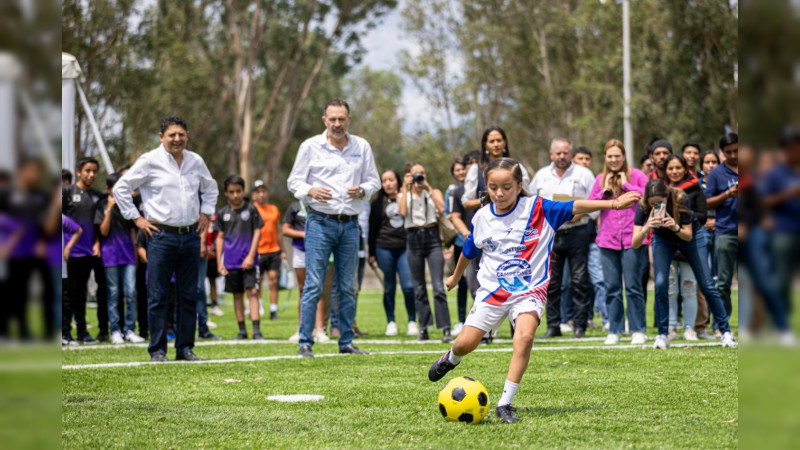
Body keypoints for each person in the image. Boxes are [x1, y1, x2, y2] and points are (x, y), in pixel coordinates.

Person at [428, 158, 641, 423]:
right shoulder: (482, 217)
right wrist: (455, 277)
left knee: (525, 336)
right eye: (493, 187)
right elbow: (469, 250)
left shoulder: (538, 208)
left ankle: (505, 403)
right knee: (465, 343)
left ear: (519, 186)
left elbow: (575, 206)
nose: (499, 193)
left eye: (507, 187)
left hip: (530, 290)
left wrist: (613, 203)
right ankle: (451, 358)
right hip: (492, 292)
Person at [113, 115, 219, 362]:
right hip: (161, 236)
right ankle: (158, 350)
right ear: (161, 137)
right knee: (158, 294)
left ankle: (185, 349)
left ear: (187, 136)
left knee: (188, 294)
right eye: (171, 134)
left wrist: (206, 212)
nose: (177, 139)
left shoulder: (195, 161)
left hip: (191, 235)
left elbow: (211, 188)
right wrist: (137, 219)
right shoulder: (149, 161)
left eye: (181, 134)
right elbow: (121, 188)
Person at [287, 98, 380, 357]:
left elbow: (374, 181)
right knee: (314, 284)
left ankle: (346, 342)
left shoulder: (361, 146)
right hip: (319, 222)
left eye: (342, 119)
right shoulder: (310, 147)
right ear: (324, 120)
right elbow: (293, 181)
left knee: (347, 286)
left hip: (350, 226)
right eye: (332, 119)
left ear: (349, 119)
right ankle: (306, 341)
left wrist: (363, 189)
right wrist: (310, 190)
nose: (337, 124)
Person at [632, 179, 737, 349]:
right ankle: (662, 334)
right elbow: (635, 243)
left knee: (707, 285)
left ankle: (725, 332)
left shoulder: (680, 198)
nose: (656, 206)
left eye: (659, 203)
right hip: (662, 240)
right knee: (660, 284)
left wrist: (674, 226)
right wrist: (647, 227)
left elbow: (688, 235)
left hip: (691, 238)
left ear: (666, 196)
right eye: (653, 204)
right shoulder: (643, 205)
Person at [529, 138, 596, 339]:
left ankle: (580, 326)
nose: (561, 156)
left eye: (565, 153)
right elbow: (531, 203)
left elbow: (594, 203)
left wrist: (581, 214)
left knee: (579, 280)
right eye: (558, 153)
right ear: (551, 155)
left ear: (571, 153)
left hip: (578, 232)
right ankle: (553, 326)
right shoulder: (541, 176)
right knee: (552, 282)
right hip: (551, 234)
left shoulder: (584, 174)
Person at [588, 139, 648, 345]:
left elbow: (647, 200)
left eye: (617, 155)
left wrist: (625, 185)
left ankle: (638, 329)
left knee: (633, 286)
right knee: (612, 287)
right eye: (610, 156)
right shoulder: (599, 179)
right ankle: (614, 328)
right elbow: (589, 206)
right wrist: (603, 191)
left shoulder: (638, 175)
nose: (614, 159)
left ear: (624, 156)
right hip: (607, 240)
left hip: (633, 238)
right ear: (605, 158)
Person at [399, 162, 452, 342]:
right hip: (413, 238)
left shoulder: (433, 191)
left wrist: (428, 188)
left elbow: (442, 209)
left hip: (432, 238)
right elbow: (403, 211)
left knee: (438, 286)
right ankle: (424, 328)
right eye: (415, 174)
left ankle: (445, 328)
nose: (419, 177)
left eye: (422, 173)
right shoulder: (403, 193)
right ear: (408, 176)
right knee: (419, 287)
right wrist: (406, 188)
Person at [94, 172, 145, 344]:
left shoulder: (128, 206)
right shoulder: (102, 205)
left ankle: (130, 329)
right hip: (110, 256)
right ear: (108, 189)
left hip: (128, 255)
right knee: (114, 294)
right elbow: (103, 231)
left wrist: (136, 255)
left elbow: (133, 232)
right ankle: (115, 330)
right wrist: (109, 208)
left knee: (131, 292)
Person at [62, 156, 107, 344]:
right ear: (79, 172)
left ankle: (83, 332)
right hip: (69, 252)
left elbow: (99, 224)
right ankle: (65, 332)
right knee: (68, 294)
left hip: (91, 252)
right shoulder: (67, 192)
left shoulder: (99, 196)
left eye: (94, 171)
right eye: (87, 170)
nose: (91, 174)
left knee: (82, 294)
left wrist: (96, 242)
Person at [368, 169, 417, 337]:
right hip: (383, 248)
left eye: (391, 180)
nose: (388, 183)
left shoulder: (407, 198)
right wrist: (371, 252)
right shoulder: (377, 203)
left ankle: (412, 321)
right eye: (384, 181)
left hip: (405, 248)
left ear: (397, 181)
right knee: (389, 287)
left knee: (408, 286)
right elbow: (372, 229)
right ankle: (391, 322)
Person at [215, 175, 265, 340]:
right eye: (231, 192)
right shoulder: (222, 213)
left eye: (238, 191)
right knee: (237, 295)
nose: (235, 195)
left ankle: (256, 330)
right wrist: (219, 262)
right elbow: (220, 237)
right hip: (231, 261)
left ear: (243, 191)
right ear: (226, 193)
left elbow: (257, 231)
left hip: (249, 261)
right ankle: (242, 330)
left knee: (252, 292)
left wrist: (251, 256)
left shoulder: (251, 209)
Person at [664, 154, 707, 341]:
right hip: (667, 244)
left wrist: (679, 218)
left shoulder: (695, 189)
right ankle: (672, 328)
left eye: (678, 168)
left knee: (689, 287)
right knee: (671, 289)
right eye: (670, 168)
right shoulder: (661, 189)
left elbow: (703, 215)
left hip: (690, 243)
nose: (674, 172)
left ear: (685, 169)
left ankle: (690, 328)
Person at [703, 133, 738, 330]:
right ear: (723, 153)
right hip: (726, 231)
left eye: (736, 151)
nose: (733, 155)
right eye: (728, 152)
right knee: (723, 282)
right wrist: (727, 194)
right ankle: (721, 325)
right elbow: (707, 202)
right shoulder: (716, 173)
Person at [462, 126, 530, 210]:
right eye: (492, 141)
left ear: (505, 142)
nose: (496, 144)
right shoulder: (476, 169)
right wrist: (488, 198)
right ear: (485, 144)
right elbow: (466, 203)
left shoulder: (518, 167)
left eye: (499, 140)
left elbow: (528, 196)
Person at [252, 180, 285, 321]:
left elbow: (278, 231)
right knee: (258, 282)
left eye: (263, 191)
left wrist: (283, 250)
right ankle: (257, 308)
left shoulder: (274, 209)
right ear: (254, 194)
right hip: (258, 251)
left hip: (274, 250)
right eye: (258, 192)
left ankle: (273, 310)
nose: (261, 194)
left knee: (273, 280)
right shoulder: (251, 209)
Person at [445, 158, 469, 335]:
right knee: (461, 282)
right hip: (460, 242)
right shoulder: (452, 191)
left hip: (476, 242)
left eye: (463, 169)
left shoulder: (476, 188)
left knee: (478, 282)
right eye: (457, 170)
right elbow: (448, 215)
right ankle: (461, 320)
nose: (461, 172)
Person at [60, 214, 83, 345]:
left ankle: (65, 334)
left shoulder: (62, 218)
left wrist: (68, 247)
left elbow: (78, 230)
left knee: (64, 301)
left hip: (59, 266)